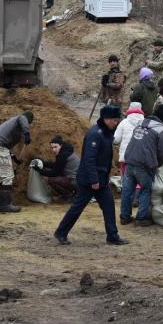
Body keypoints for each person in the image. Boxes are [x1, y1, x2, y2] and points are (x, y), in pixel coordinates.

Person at [54, 105, 128, 246]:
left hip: (101, 179)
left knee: (109, 206)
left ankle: (112, 236)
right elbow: (89, 158)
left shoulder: (106, 132)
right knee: (78, 207)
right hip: (89, 180)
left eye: (117, 120)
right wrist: (94, 179)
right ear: (106, 119)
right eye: (114, 120)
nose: (116, 123)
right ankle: (61, 232)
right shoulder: (96, 133)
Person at [120, 107, 163, 226]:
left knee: (127, 190)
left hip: (129, 160)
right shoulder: (161, 130)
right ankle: (141, 219)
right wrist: (157, 164)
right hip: (144, 164)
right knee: (145, 190)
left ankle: (124, 217)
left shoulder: (140, 124)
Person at [0, 112, 34, 213]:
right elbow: (23, 118)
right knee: (7, 176)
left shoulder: (11, 125)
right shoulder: (21, 118)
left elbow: (6, 149)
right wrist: (27, 133)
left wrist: (15, 159)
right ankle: (6, 205)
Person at [31, 135, 79, 201]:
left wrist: (40, 170)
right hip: (79, 180)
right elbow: (57, 165)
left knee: (52, 180)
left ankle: (69, 195)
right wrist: (43, 163)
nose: (53, 150)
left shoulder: (63, 155)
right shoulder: (66, 152)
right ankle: (75, 194)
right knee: (56, 177)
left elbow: (55, 173)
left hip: (76, 181)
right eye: (52, 147)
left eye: (55, 147)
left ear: (61, 146)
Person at [114, 103, 145, 173]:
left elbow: (116, 140)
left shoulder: (124, 122)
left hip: (125, 156)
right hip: (140, 157)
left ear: (130, 109)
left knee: (125, 178)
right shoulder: (145, 123)